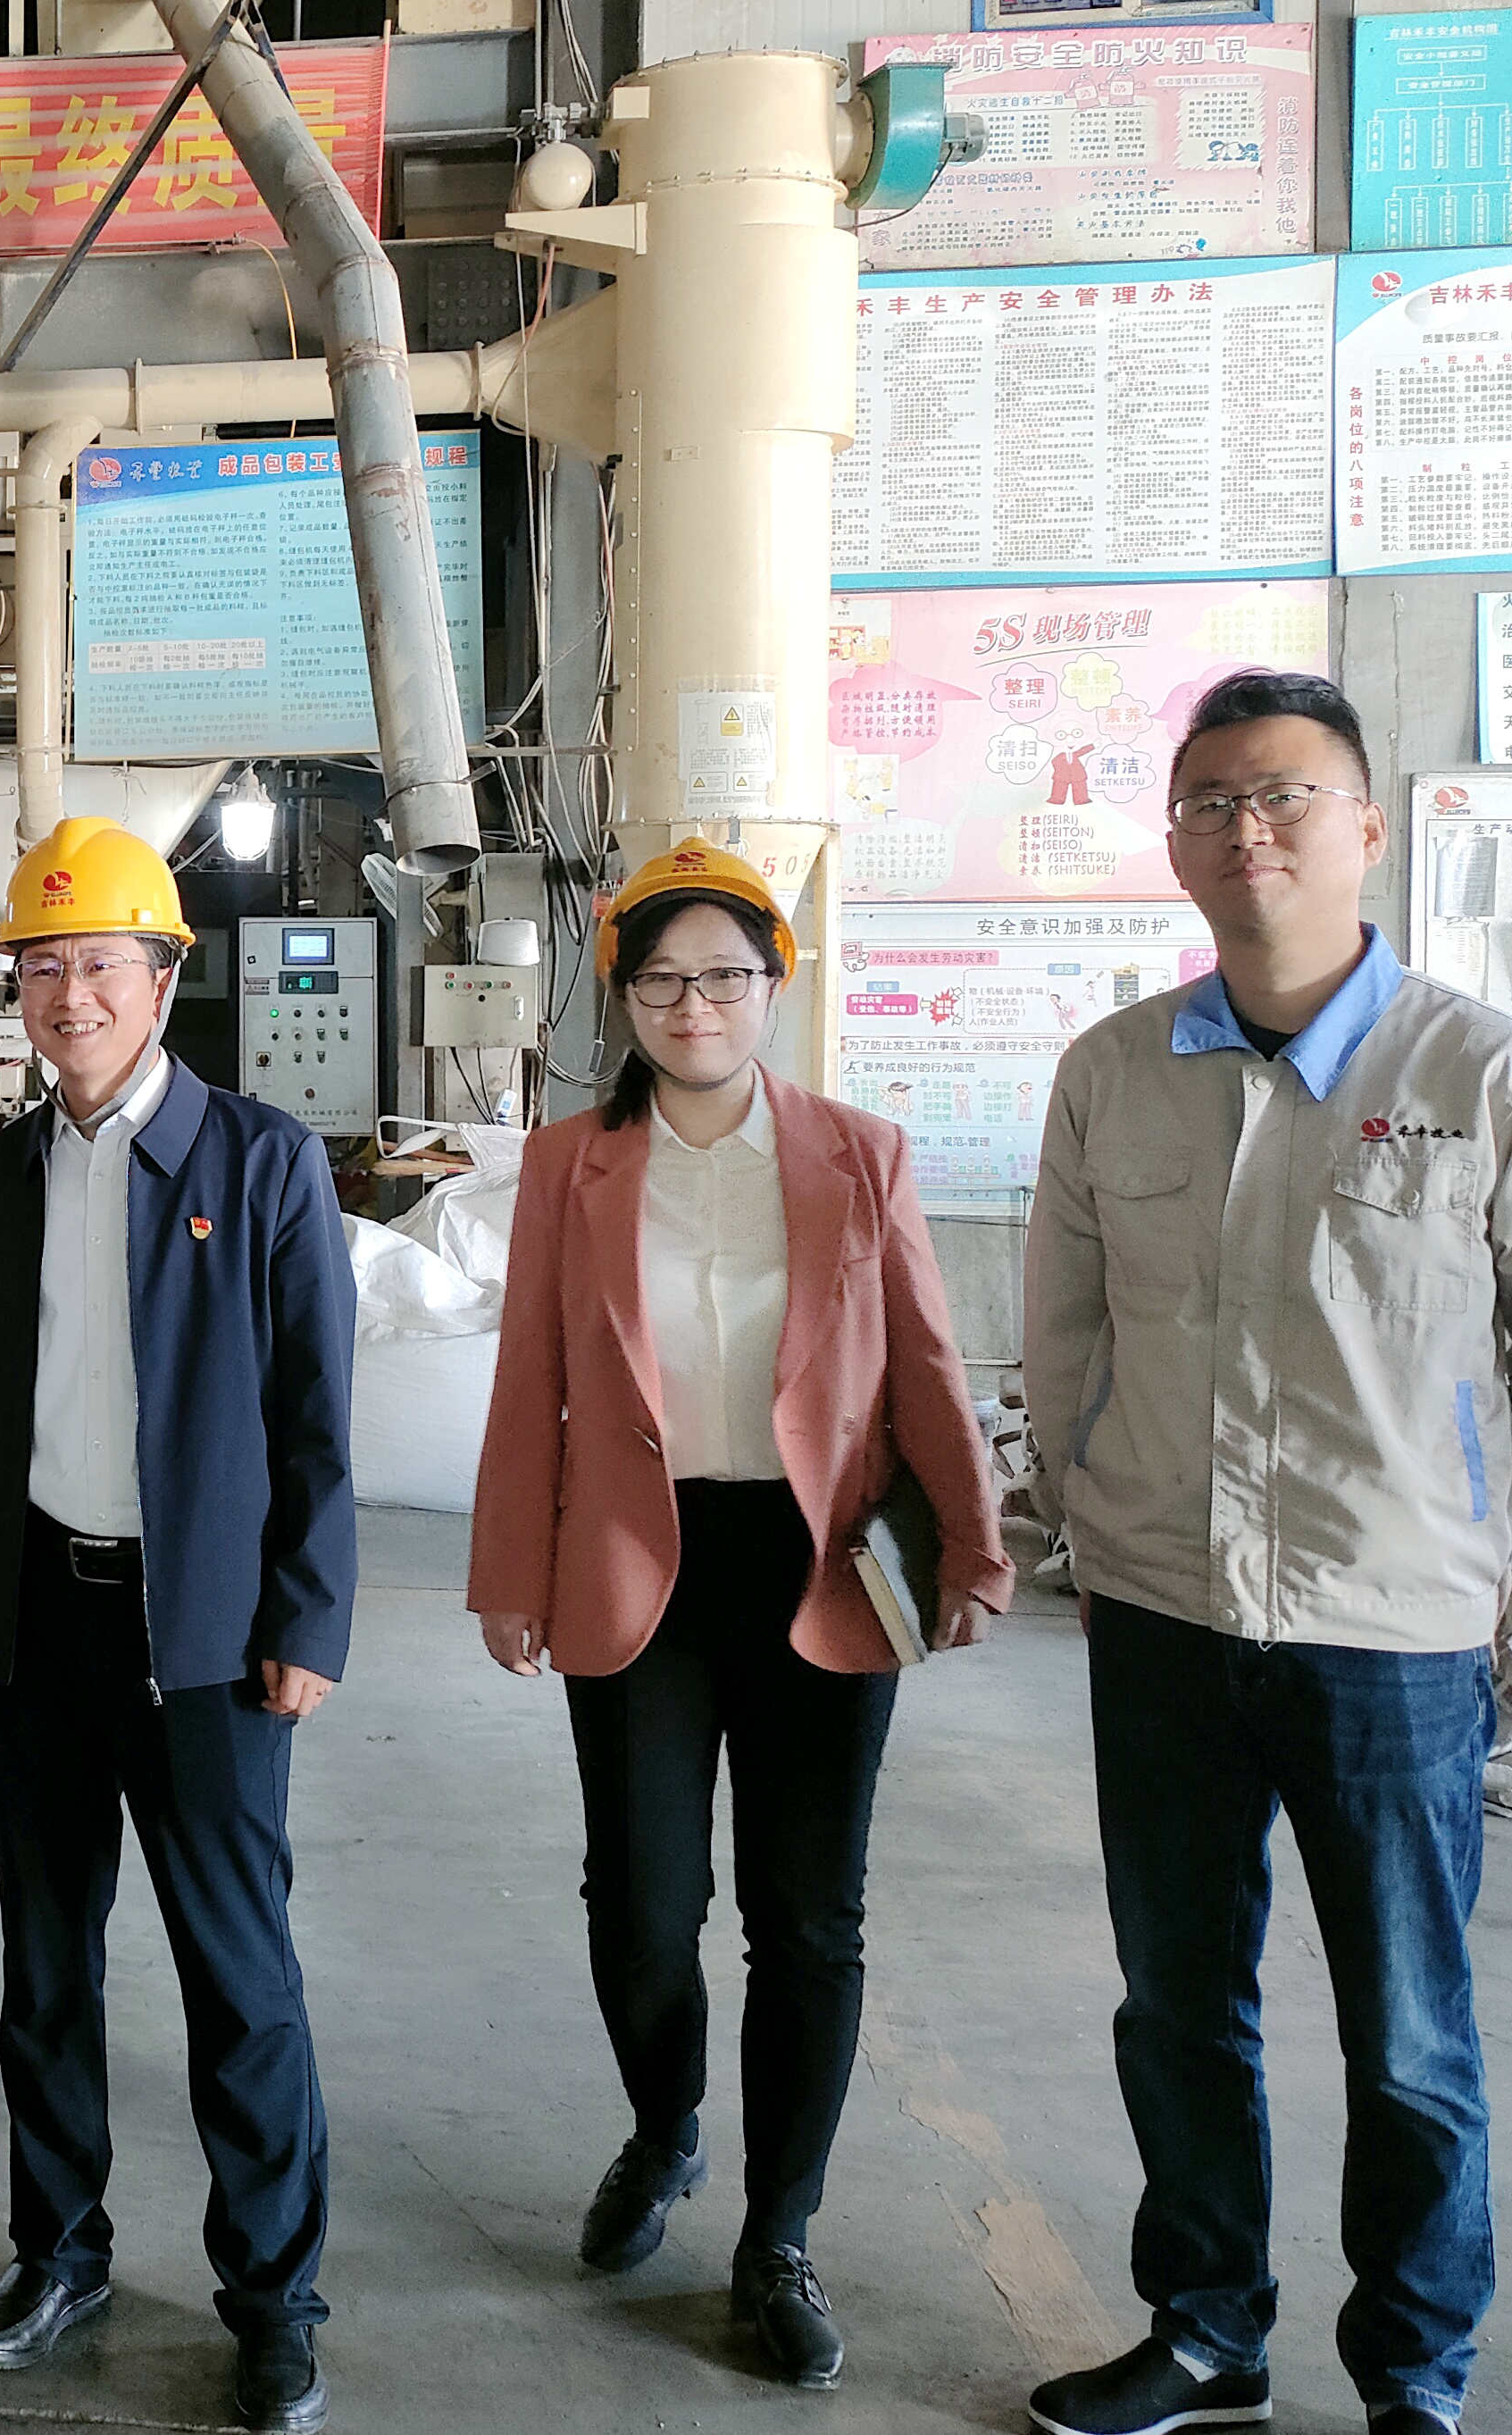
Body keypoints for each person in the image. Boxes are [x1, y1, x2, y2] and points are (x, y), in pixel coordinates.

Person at [1022, 671, 1512, 2435]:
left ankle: (1413, 2370)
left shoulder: (1481, 1072)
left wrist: (1472, 1521)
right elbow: (1063, 1335)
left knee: (1409, 2030)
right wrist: (1094, 1507)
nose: (1247, 830)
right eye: (1209, 803)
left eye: (1283, 797)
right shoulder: (1110, 1076)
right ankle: (1204, 2329)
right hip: (1163, 1611)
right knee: (1175, 2004)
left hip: (1391, 1631)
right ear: (1173, 845)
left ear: (1365, 828)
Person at [465, 838, 1012, 2391]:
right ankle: (665, 2126)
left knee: (808, 1914)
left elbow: (925, 1363)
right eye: (660, 978)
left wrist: (973, 1550)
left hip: (816, 1561)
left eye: (722, 974)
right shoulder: (569, 1166)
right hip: (635, 1562)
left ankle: (780, 2234)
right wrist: (510, 1571)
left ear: (774, 984)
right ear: (624, 997)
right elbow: (531, 1378)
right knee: (642, 1904)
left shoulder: (858, 1153)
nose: (693, 1004)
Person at [0, 816, 357, 2434]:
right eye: (44, 966)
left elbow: (316, 1419)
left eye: (101, 962)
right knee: (47, 1965)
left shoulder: (263, 1165)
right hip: (40, 1619)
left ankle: (275, 2298)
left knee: (240, 1975)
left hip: (210, 1645)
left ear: (164, 977)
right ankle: (60, 2250)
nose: (70, 995)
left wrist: (309, 1616)